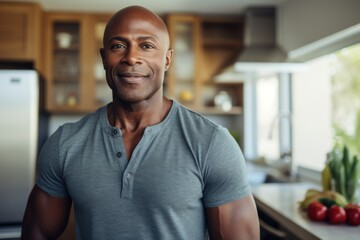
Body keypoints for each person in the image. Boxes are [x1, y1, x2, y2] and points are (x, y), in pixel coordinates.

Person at [21, 5, 259, 240]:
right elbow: (37, 233)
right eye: (118, 46)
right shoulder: (65, 143)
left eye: (146, 46)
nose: (132, 57)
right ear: (104, 58)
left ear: (167, 60)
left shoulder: (212, 144)